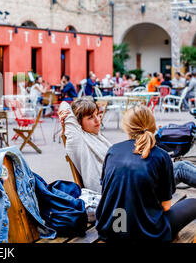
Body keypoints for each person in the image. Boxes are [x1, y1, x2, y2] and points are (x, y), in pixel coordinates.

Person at [95, 106, 196, 242]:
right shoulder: (161, 155)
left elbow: (107, 193)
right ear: (152, 126)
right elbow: (165, 206)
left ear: (126, 127)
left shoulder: (113, 151)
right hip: (148, 234)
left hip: (111, 230)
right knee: (193, 204)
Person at [58, 101, 196, 192]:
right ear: (77, 123)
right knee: (180, 168)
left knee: (179, 166)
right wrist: (65, 117)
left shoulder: (96, 136)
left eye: (97, 115)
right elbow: (64, 104)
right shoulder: (80, 141)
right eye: (90, 118)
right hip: (117, 191)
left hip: (126, 186)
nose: (97, 120)